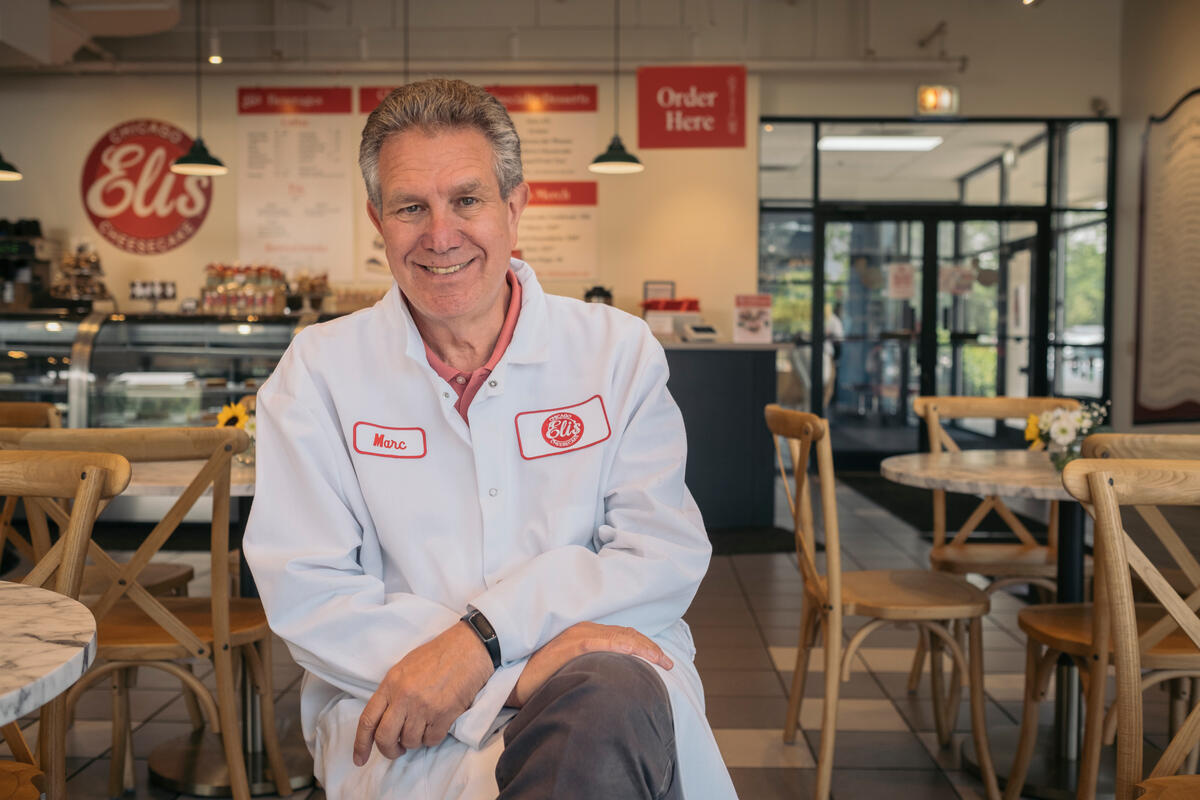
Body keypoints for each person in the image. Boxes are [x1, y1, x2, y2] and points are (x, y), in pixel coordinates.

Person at [243, 78, 736, 800]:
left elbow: (660, 554)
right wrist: (509, 672)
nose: (441, 236)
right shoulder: (318, 372)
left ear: (515, 207)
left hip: (598, 687)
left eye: (467, 200)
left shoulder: (614, 352)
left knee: (600, 708)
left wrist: (485, 643)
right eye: (412, 207)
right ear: (378, 219)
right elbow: (307, 588)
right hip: (406, 707)